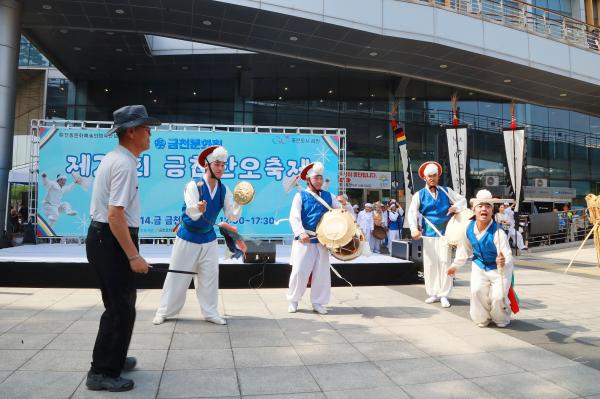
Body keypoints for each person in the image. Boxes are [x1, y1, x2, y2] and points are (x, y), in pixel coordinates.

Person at [85, 105, 159, 392]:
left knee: (121, 303)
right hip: (110, 239)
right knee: (120, 309)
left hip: (106, 238)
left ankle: (114, 357)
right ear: (131, 132)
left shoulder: (119, 158)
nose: (149, 132)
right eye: (146, 128)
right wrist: (133, 256)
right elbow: (115, 215)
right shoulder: (124, 163)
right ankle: (101, 372)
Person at [154, 145, 242, 326]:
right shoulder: (193, 185)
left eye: (223, 165)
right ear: (207, 165)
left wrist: (240, 202)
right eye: (217, 164)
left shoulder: (224, 189)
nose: (220, 168)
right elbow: (191, 210)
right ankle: (164, 311)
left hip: (208, 239)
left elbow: (231, 214)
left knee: (209, 277)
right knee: (177, 276)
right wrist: (197, 208)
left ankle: (210, 312)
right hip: (187, 237)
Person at [448, 190, 514, 328]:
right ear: (474, 209)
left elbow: (506, 255)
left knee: (498, 296)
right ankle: (482, 318)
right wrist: (455, 266)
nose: (484, 209)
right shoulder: (468, 227)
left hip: (498, 269)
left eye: (488, 206)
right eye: (480, 206)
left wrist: (502, 261)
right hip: (479, 265)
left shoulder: (498, 232)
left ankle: (501, 318)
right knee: (476, 291)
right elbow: (464, 249)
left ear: (492, 210)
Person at [407, 161, 466, 308]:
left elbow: (463, 200)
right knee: (430, 263)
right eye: (429, 176)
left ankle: (444, 294)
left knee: (445, 262)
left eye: (434, 175)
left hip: (446, 233)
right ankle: (433, 293)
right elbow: (412, 212)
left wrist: (455, 207)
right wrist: (414, 229)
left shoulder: (447, 191)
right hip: (428, 234)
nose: (432, 178)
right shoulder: (419, 195)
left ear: (438, 176)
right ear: (424, 178)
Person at [287, 161, 341, 315]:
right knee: (299, 271)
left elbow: (341, 212)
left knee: (322, 273)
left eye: (321, 178)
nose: (319, 181)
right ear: (308, 179)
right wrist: (300, 232)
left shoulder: (329, 196)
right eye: (316, 178)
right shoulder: (300, 195)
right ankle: (293, 300)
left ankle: (318, 302)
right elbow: (294, 217)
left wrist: (345, 206)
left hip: (323, 241)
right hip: (305, 240)